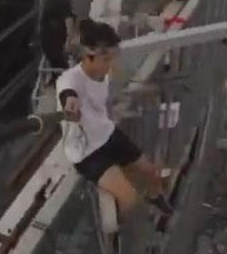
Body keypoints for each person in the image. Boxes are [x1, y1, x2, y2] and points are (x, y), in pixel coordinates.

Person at [57, 18, 174, 222]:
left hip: (107, 134)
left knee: (152, 172)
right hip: (87, 152)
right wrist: (70, 102)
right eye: (106, 60)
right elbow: (68, 93)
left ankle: (154, 196)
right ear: (89, 56)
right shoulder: (70, 80)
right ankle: (116, 229)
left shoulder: (105, 74)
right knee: (129, 199)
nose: (110, 66)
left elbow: (107, 98)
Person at [38, 0, 76, 74]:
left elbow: (69, 20)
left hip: (56, 43)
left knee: (60, 67)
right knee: (51, 64)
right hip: (45, 41)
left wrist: (68, 41)